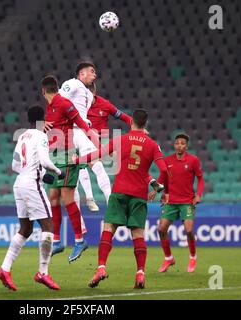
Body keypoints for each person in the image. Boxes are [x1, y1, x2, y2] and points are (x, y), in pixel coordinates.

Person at [75, 109, 168, 289]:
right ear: (146, 124)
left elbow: (97, 154)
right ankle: (140, 273)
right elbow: (164, 170)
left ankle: (101, 267)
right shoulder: (152, 145)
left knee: (108, 229)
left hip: (119, 192)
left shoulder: (120, 140)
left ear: (131, 121)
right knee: (138, 234)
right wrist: (160, 190)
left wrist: (78, 159)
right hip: (139, 194)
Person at [0, 106, 63, 291]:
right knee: (49, 227)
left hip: (19, 184)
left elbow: (15, 165)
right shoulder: (41, 136)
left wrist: (39, 174)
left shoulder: (23, 136)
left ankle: (4, 268)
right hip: (32, 185)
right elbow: (45, 160)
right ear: (43, 119)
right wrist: (58, 171)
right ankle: (43, 272)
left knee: (25, 228)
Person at [42, 75, 98, 263]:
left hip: (67, 156)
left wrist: (94, 144)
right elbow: (52, 130)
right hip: (54, 157)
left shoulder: (65, 103)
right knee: (54, 198)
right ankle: (57, 241)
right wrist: (43, 127)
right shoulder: (49, 108)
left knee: (67, 198)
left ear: (43, 92)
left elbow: (82, 123)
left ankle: (80, 240)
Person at [59, 62, 112, 212]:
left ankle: (110, 201)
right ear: (82, 73)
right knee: (75, 169)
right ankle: (88, 199)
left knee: (97, 164)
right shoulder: (72, 84)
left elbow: (82, 115)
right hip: (67, 132)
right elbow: (59, 101)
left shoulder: (88, 94)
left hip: (81, 132)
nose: (95, 74)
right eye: (92, 71)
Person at [149, 133, 205, 273]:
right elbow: (163, 177)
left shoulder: (193, 160)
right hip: (171, 201)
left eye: (182, 143)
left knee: (189, 230)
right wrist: (157, 190)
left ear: (186, 146)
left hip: (187, 201)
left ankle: (193, 256)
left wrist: (198, 195)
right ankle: (168, 258)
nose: (179, 145)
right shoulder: (168, 160)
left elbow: (200, 179)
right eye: (177, 143)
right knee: (161, 229)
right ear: (174, 145)